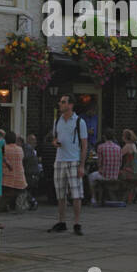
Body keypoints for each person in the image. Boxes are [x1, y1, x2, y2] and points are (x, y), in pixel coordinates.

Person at [47, 94, 88, 235]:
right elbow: (55, 138)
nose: (60, 104)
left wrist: (82, 165)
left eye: (63, 102)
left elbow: (84, 145)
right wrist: (54, 142)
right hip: (59, 161)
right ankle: (61, 221)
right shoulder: (57, 120)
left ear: (70, 105)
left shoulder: (79, 122)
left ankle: (77, 223)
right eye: (60, 102)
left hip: (73, 161)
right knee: (60, 194)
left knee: (76, 194)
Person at [87, 133, 123, 205]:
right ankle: (101, 196)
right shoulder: (118, 148)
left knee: (90, 176)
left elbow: (99, 162)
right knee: (96, 176)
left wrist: (100, 168)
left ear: (104, 137)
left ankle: (93, 198)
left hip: (104, 175)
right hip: (115, 175)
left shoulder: (101, 147)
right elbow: (120, 162)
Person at [2, 131, 26, 212]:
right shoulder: (20, 149)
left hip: (7, 180)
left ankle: (4, 206)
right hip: (20, 180)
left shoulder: (4, 148)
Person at [118, 128, 137, 203]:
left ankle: (118, 197)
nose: (121, 137)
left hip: (130, 169)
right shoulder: (133, 145)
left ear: (125, 137)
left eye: (122, 135)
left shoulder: (127, 146)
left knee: (116, 175)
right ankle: (130, 197)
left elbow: (118, 155)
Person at [21, 133, 42, 211]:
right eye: (33, 140)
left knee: (24, 187)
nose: (35, 142)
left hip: (30, 174)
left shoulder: (28, 150)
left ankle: (31, 201)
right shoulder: (29, 150)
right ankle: (31, 200)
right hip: (32, 174)